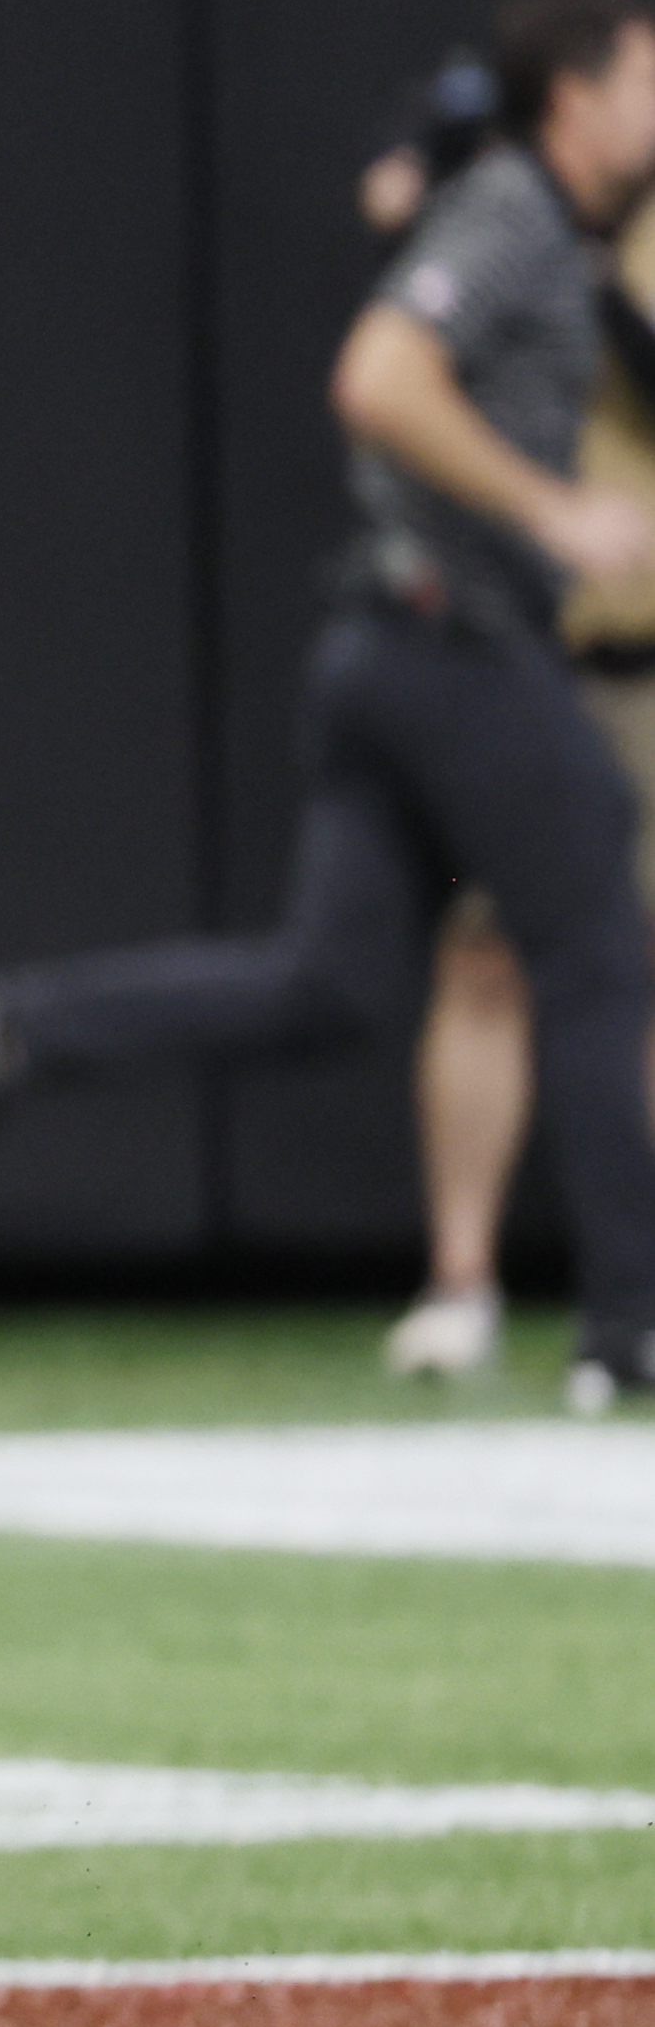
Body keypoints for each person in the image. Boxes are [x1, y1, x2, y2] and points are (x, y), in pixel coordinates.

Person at [0, 0, 655, 1414]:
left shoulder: (533, 218)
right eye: (644, 82)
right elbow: (377, 376)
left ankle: (11, 1028)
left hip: (388, 646)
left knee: (335, 986)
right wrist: (553, 514)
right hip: (451, 637)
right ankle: (628, 1324)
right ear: (578, 92)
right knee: (604, 956)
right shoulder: (508, 205)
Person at [383, 193, 655, 1378]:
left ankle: (631, 1295)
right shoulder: (522, 221)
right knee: (482, 959)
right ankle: (460, 1284)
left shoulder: (581, 249)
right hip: (543, 654)